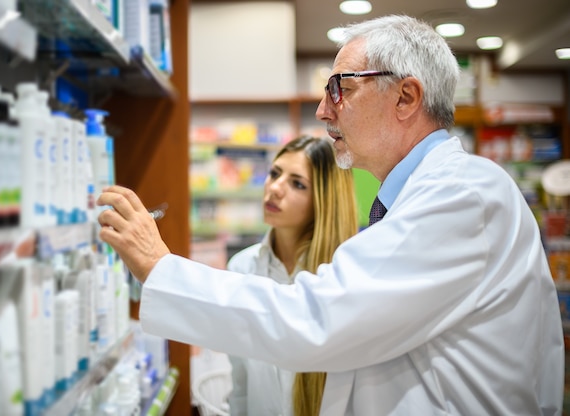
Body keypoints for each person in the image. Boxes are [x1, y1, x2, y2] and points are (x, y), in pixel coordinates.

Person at [96, 14, 564, 415]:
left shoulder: (463, 195)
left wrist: (159, 267)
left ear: (405, 97)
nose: (323, 110)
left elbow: (318, 319)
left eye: (340, 88)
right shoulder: (417, 201)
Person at [225, 136, 358, 416]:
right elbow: (241, 381)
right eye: (275, 173)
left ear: (324, 200)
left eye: (297, 183)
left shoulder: (342, 275)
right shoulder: (242, 269)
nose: (274, 188)